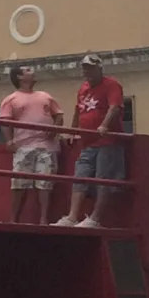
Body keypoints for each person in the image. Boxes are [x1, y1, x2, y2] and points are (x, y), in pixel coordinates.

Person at [59, 53, 126, 227]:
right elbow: (78, 110)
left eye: (90, 68)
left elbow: (114, 107)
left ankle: (95, 218)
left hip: (107, 142)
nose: (87, 72)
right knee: (80, 175)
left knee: (102, 178)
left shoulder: (111, 84)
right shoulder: (83, 88)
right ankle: (72, 216)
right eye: (85, 68)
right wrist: (72, 132)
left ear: (99, 68)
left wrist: (104, 126)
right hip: (87, 142)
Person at [0, 62, 64, 226]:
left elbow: (59, 116)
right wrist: (9, 140)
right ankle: (14, 220)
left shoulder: (45, 96)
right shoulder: (11, 99)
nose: (32, 72)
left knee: (45, 182)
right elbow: (5, 122)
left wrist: (54, 129)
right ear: (19, 77)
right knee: (19, 183)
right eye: (27, 70)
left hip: (47, 145)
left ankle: (43, 219)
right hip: (23, 146)